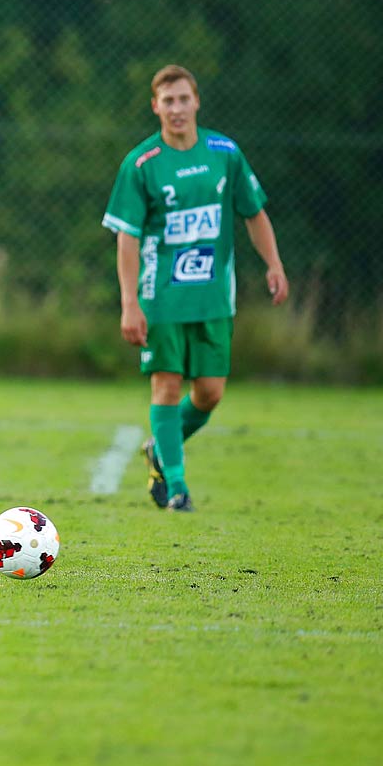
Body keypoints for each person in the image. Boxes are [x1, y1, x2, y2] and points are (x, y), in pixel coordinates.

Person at [102, 65, 288, 512]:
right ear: (155, 107)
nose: (177, 108)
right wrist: (130, 303)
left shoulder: (225, 152)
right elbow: (127, 236)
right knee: (166, 386)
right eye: (168, 101)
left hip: (213, 297)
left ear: (197, 101)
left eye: (184, 99)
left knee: (210, 392)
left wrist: (274, 263)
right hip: (161, 296)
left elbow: (253, 211)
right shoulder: (141, 164)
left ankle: (158, 449)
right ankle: (178, 487)